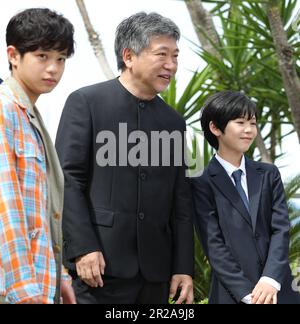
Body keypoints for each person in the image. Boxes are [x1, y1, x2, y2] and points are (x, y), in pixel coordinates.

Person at [55, 12, 194, 304]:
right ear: (129, 56)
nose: (171, 65)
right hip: (99, 267)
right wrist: (82, 248)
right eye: (162, 54)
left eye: (176, 56)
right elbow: (68, 180)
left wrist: (183, 267)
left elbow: (180, 200)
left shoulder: (174, 122)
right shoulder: (86, 103)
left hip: (156, 274)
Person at [192, 90, 300, 304]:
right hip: (233, 295)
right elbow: (213, 246)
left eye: (253, 123)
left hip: (280, 291)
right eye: (240, 122)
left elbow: (281, 229)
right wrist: (249, 295)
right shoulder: (201, 182)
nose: (249, 130)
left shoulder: (269, 174)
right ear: (215, 128)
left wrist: (270, 279)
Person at [0, 8, 76, 304]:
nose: (53, 69)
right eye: (42, 56)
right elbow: (6, 205)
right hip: (17, 290)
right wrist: (23, 291)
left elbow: (44, 212)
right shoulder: (6, 111)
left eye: (61, 59)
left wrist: (62, 276)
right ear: (13, 55)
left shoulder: (31, 115)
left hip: (40, 282)